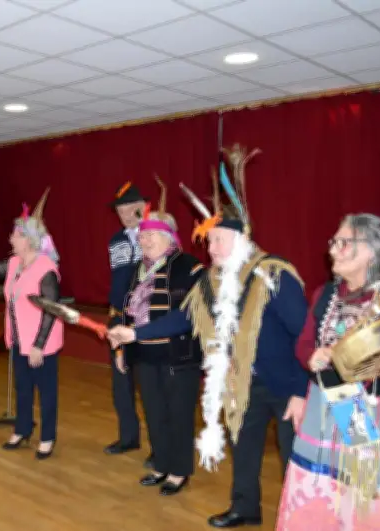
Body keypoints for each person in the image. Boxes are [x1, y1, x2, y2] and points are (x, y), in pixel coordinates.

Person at [109, 146, 309, 526]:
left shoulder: (274, 275)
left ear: (241, 239)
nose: (210, 248)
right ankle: (244, 508)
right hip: (242, 381)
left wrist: (302, 391)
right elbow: (183, 319)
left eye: (217, 240)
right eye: (209, 240)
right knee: (244, 447)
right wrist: (135, 332)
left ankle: (296, 518)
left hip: (286, 384)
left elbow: (304, 337)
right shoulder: (212, 282)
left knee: (292, 457)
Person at [276, 213, 380, 531]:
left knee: (360, 500)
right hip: (323, 405)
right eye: (334, 242)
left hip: (362, 410)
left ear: (371, 250)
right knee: (317, 496)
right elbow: (304, 344)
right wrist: (312, 356)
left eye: (344, 243)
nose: (333, 249)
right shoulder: (325, 296)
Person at [108, 179, 204, 494]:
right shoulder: (138, 269)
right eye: (142, 234)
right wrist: (123, 347)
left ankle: (178, 471)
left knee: (178, 414)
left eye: (150, 234)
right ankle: (161, 464)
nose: (144, 240)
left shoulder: (189, 267)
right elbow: (126, 308)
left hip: (178, 357)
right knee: (154, 413)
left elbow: (185, 317)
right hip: (144, 356)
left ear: (168, 236)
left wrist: (135, 332)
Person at [0, 189, 63, 459]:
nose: (11, 237)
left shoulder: (46, 269)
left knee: (46, 392)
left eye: (15, 234)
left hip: (41, 343)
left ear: (28, 240)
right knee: (23, 388)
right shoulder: (14, 264)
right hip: (19, 338)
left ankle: (47, 437)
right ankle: (22, 429)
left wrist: (38, 345)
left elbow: (51, 311)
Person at [106, 181, 151, 467]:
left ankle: (159, 447)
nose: (123, 213)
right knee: (120, 381)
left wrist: (143, 240)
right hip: (119, 314)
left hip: (145, 319)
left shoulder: (156, 237)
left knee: (148, 384)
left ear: (141, 207)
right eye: (119, 208)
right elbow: (122, 275)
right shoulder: (117, 241)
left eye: (128, 207)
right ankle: (128, 436)